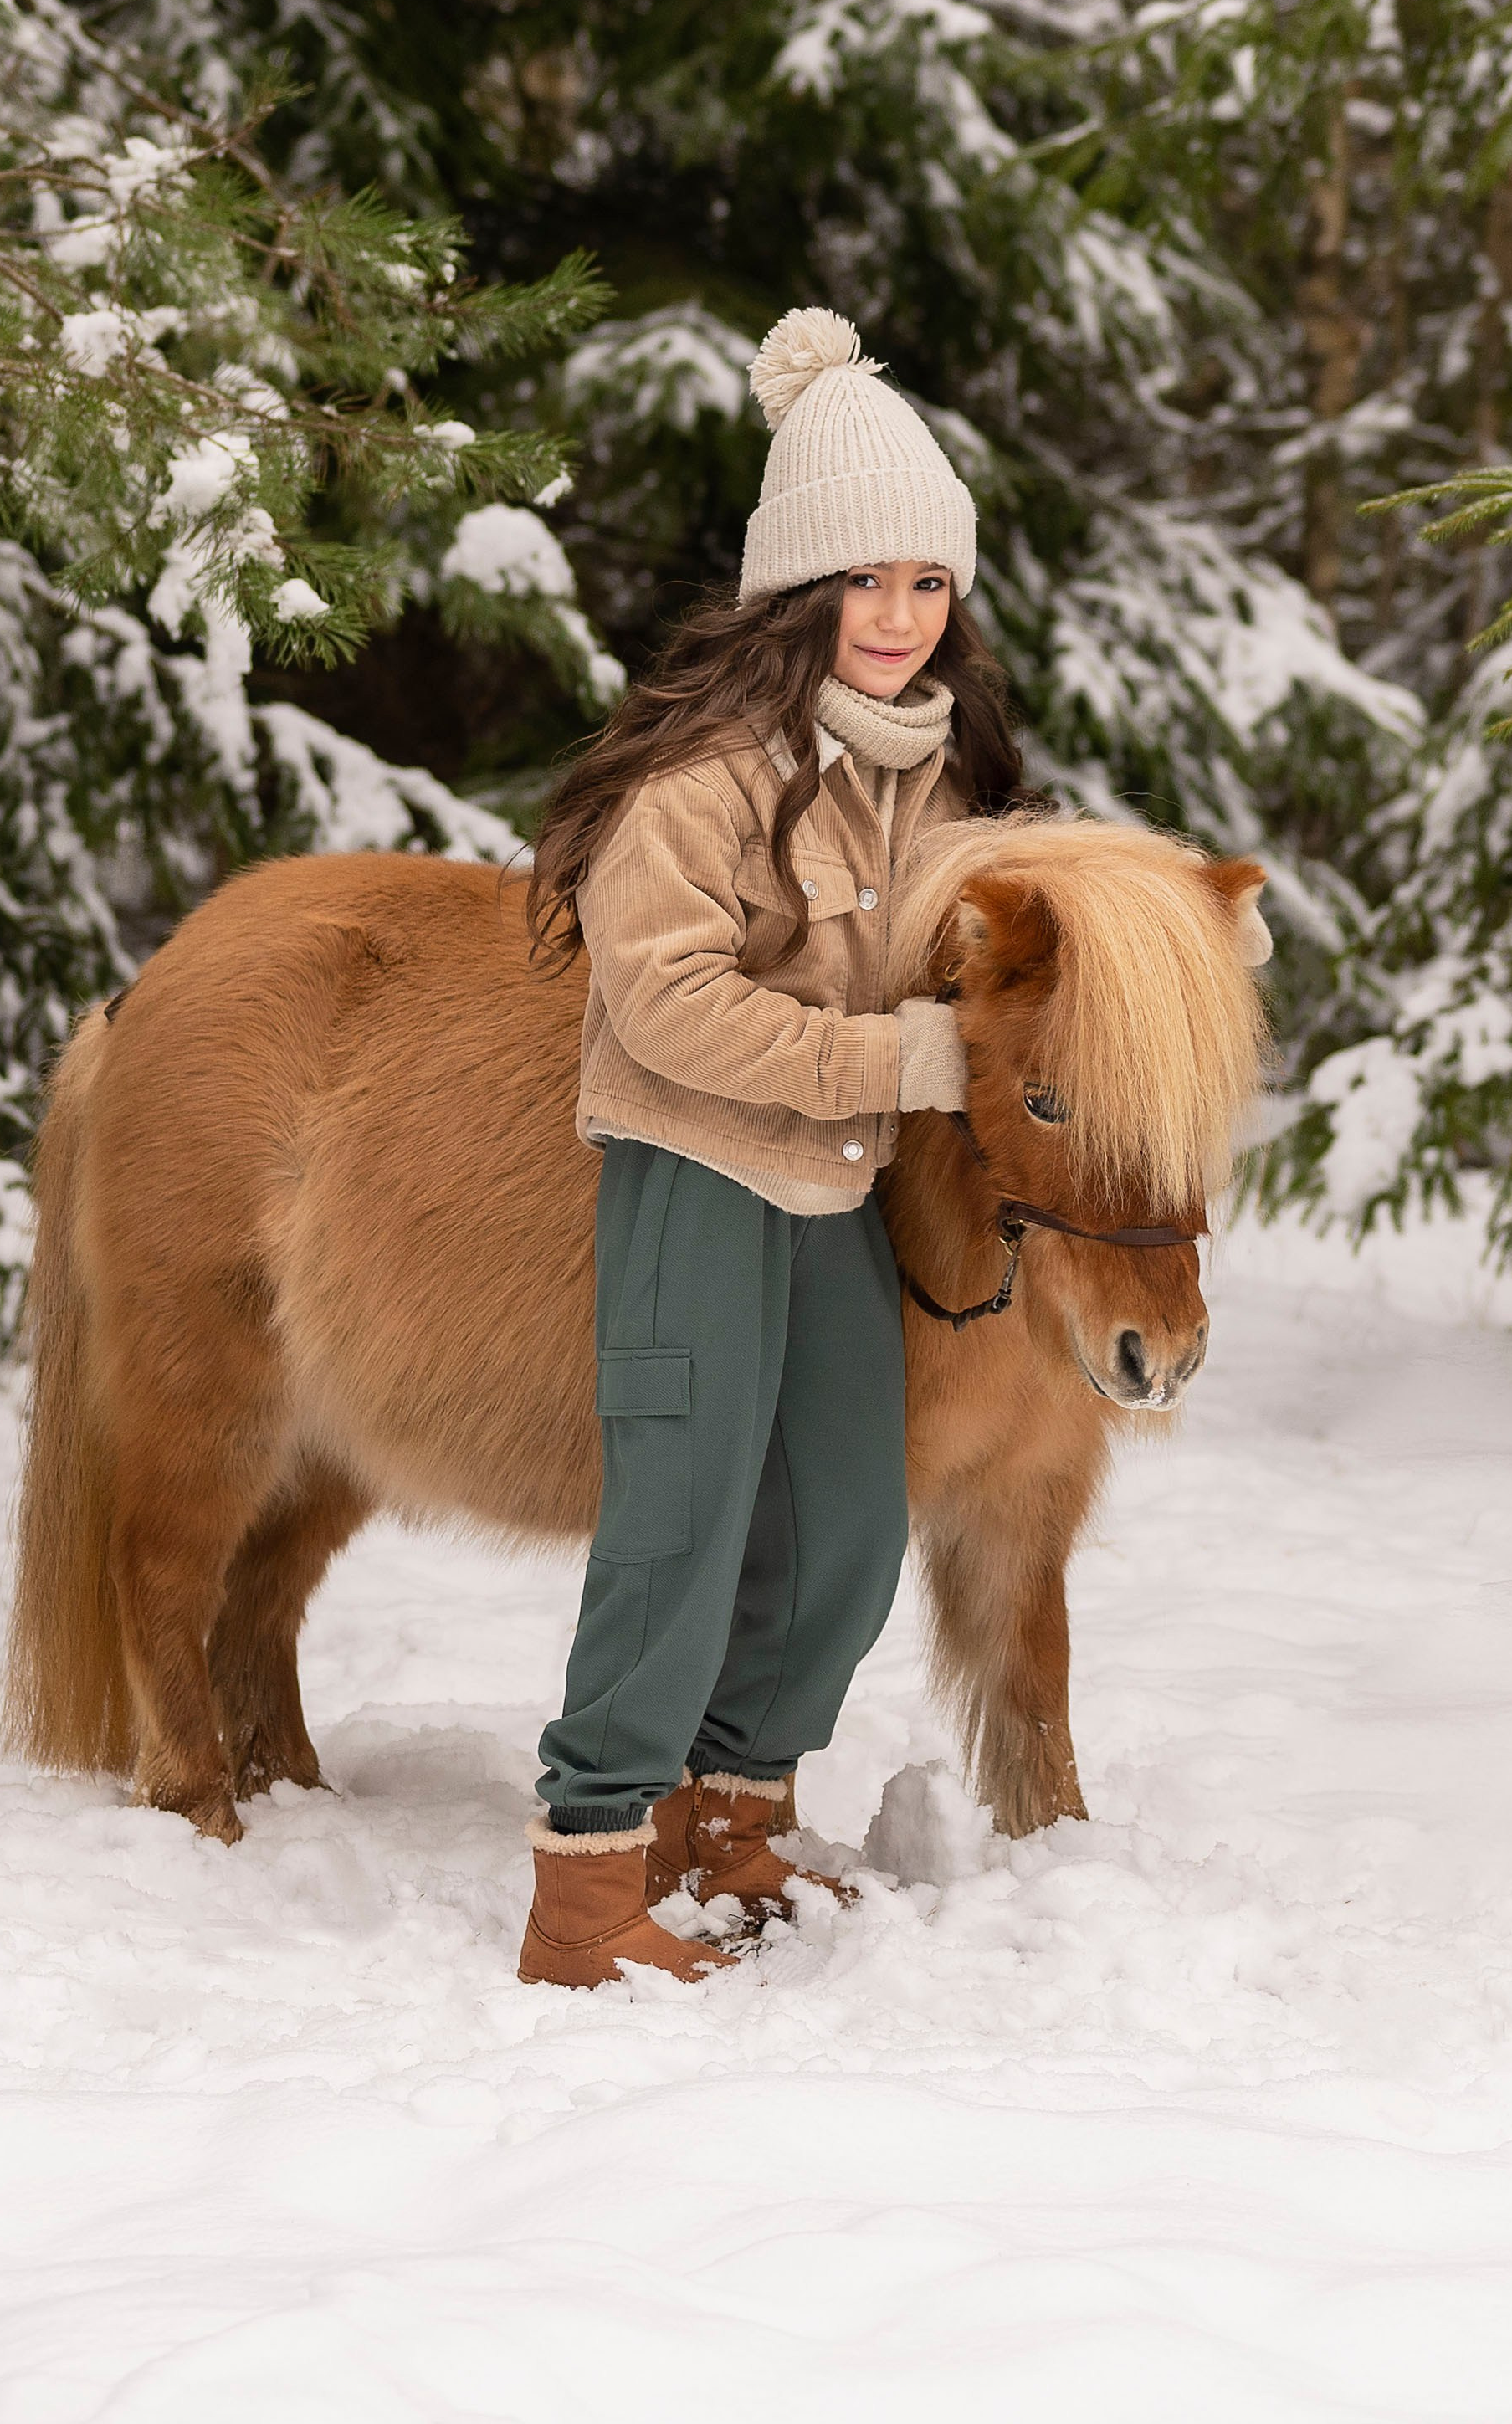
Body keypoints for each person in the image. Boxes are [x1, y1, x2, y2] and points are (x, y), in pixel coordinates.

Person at [517, 305, 1021, 1989]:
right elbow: (663, 1001)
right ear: (798, 589)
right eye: (862, 580)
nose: (896, 616)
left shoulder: (930, 774)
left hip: (837, 1190)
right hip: (698, 1174)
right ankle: (589, 1877)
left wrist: (1168, 931)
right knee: (679, 1521)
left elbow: (1021, 909)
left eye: (927, 582)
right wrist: (894, 1060)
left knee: (845, 1531)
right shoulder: (706, 774)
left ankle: (731, 1819)